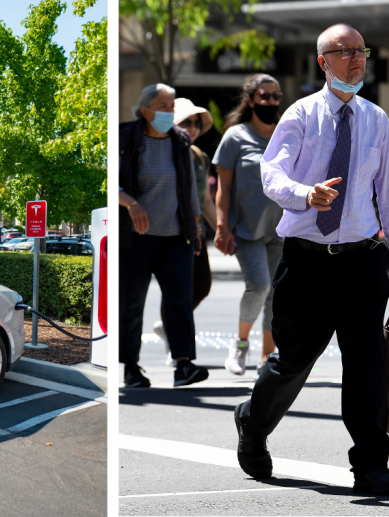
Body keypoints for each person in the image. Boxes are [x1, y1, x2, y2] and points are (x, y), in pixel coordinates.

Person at [233, 24, 389, 495]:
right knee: (292, 362)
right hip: (306, 262)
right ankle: (252, 425)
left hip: (362, 262)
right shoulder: (300, 115)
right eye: (346, 52)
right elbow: (271, 173)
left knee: (366, 366)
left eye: (362, 51)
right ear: (324, 61)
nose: (357, 59)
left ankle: (370, 466)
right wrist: (304, 194)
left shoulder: (376, 119)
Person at [119, 84, 209, 388]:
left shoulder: (179, 139)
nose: (170, 111)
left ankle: (184, 365)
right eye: (163, 106)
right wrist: (131, 204)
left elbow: (189, 189)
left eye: (172, 106)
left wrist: (195, 227)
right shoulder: (125, 137)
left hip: (175, 236)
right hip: (136, 238)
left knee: (180, 299)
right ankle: (131, 368)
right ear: (146, 111)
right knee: (132, 303)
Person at [213, 74, 284, 377]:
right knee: (259, 286)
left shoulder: (287, 132)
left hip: (283, 229)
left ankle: (268, 356)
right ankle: (241, 345)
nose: (270, 101)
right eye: (264, 96)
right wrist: (220, 226)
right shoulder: (235, 137)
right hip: (247, 230)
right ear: (251, 99)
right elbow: (223, 188)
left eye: (275, 96)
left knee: (275, 295)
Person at [152, 98, 214, 368]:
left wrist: (223, 228)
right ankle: (176, 345)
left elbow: (206, 200)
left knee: (202, 286)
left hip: (195, 233)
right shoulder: (161, 152)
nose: (193, 127)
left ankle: (170, 328)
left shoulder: (199, 156)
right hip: (171, 233)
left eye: (196, 122)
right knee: (177, 290)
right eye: (186, 121)